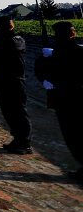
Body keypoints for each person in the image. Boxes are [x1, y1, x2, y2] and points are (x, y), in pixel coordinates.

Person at [35, 21, 83, 184]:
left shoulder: (78, 51)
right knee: (70, 135)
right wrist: (44, 79)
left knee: (77, 134)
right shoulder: (53, 52)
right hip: (61, 97)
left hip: (76, 97)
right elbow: (41, 69)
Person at [0, 16, 32, 154]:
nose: (9, 26)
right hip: (2, 80)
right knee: (8, 112)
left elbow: (9, 46)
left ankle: (25, 142)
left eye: (9, 23)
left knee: (19, 112)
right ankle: (17, 138)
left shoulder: (17, 39)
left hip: (15, 80)